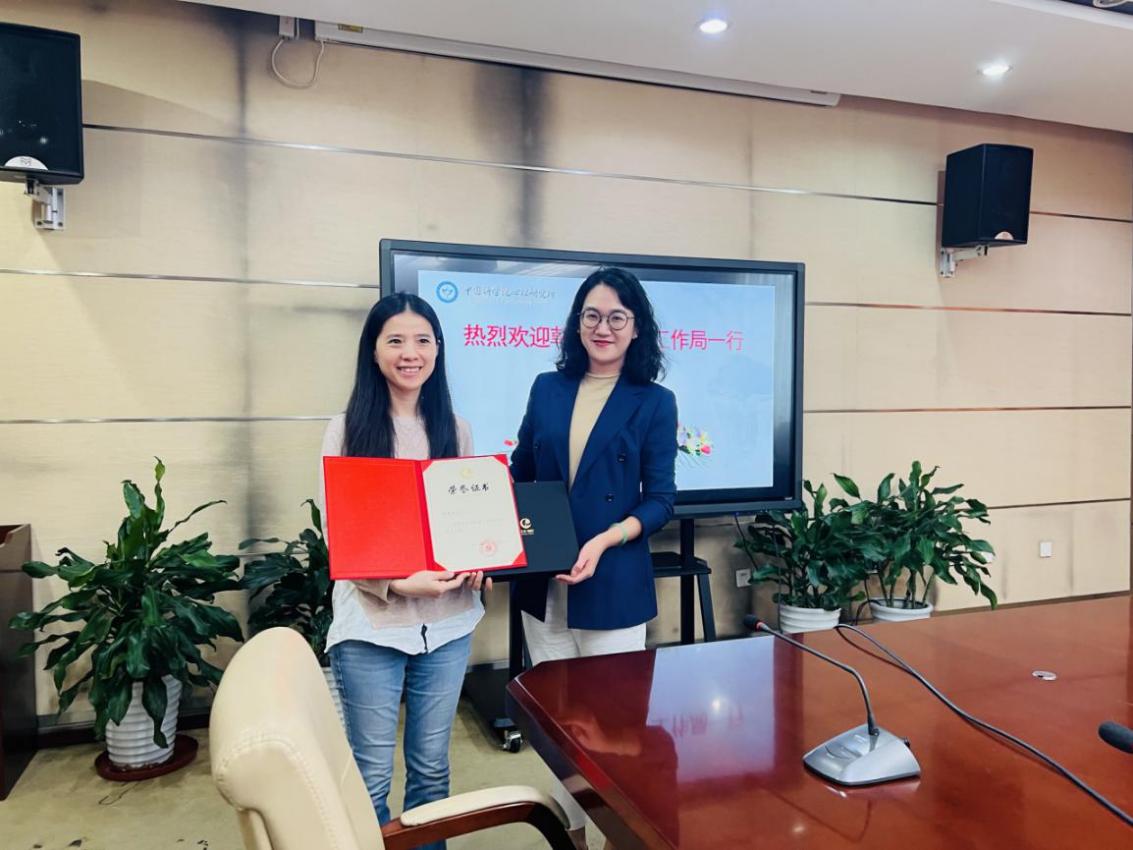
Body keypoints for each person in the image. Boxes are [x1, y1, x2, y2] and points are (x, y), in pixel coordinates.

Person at [510, 266, 678, 847]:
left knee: (613, 726)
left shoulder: (654, 402)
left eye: (616, 317)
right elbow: (522, 472)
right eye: (591, 315)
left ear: (636, 328)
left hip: (612, 580)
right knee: (558, 725)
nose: (602, 328)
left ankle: (616, 836)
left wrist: (605, 539)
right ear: (577, 322)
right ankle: (573, 838)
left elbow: (661, 500)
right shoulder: (546, 387)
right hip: (544, 580)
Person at [318, 293, 488, 850]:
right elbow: (338, 535)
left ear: (438, 350)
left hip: (448, 624)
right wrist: (394, 583)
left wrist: (480, 563)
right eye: (395, 340)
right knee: (369, 778)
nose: (410, 353)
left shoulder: (456, 429)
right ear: (373, 351)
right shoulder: (346, 431)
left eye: (422, 340)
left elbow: (470, 523)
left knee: (432, 771)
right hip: (372, 626)